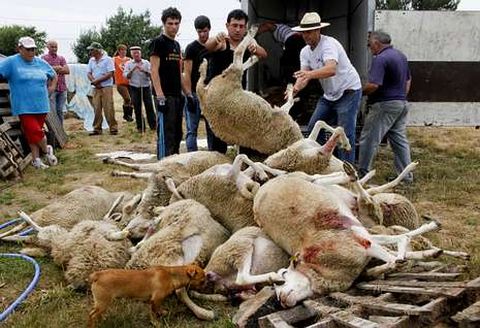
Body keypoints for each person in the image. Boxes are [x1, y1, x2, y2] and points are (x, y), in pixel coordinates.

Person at [291, 12, 362, 163]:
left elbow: (331, 69)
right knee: (313, 128)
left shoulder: (329, 44)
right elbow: (303, 76)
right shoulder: (304, 52)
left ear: (318, 31)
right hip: (330, 95)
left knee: (345, 133)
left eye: (309, 32)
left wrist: (309, 75)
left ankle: (347, 171)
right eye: (303, 33)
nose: (306, 36)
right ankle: (326, 161)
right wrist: (295, 89)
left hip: (348, 91)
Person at [204, 9, 267, 153]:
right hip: (217, 98)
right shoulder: (222, 42)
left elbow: (264, 53)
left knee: (241, 129)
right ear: (227, 25)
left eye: (241, 26)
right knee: (218, 138)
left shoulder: (247, 41)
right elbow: (208, 46)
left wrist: (255, 48)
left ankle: (243, 163)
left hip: (236, 97)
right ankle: (217, 167)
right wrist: (215, 39)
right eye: (234, 25)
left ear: (245, 28)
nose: (238, 29)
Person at [358, 30, 413, 183]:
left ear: (377, 43)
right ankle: (406, 177)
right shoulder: (400, 56)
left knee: (369, 138)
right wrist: (401, 95)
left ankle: (362, 175)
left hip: (384, 104)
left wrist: (358, 92)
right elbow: (408, 79)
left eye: (370, 45)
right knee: (399, 140)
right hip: (401, 103)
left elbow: (374, 85)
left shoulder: (380, 59)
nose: (370, 49)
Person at [0, 37, 58, 169]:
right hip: (23, 105)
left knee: (32, 134)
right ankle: (47, 149)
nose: (31, 52)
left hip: (41, 104)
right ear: (19, 49)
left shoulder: (40, 62)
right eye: (28, 49)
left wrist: (52, 87)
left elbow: (53, 74)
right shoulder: (11, 62)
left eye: (33, 49)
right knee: (35, 131)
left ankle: (36, 160)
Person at [150, 7, 184, 159]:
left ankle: (174, 162)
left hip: (177, 95)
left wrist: (186, 93)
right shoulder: (158, 43)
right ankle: (163, 165)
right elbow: (154, 70)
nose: (174, 27)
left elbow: (179, 71)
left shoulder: (176, 45)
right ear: (164, 24)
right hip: (164, 96)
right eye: (170, 23)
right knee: (166, 133)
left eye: (176, 23)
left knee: (177, 133)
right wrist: (160, 95)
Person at [183, 15, 211, 152]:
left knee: (212, 128)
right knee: (191, 130)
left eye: (205, 31)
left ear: (209, 29)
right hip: (194, 92)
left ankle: (213, 156)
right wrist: (188, 94)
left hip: (209, 93)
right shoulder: (191, 48)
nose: (202, 34)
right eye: (199, 31)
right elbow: (186, 73)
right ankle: (192, 157)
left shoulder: (214, 46)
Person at [86, 42, 118, 136]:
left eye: (92, 50)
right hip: (96, 87)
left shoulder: (107, 59)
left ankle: (113, 128)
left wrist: (97, 81)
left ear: (98, 50)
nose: (90, 51)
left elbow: (110, 73)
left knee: (108, 107)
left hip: (106, 87)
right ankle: (97, 128)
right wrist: (94, 82)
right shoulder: (91, 60)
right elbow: (88, 73)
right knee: (96, 108)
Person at [123, 46, 156, 133]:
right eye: (134, 53)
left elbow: (152, 74)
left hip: (145, 87)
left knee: (149, 106)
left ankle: (153, 125)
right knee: (137, 107)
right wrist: (132, 70)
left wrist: (144, 70)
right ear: (132, 55)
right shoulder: (128, 64)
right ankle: (140, 127)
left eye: (138, 53)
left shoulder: (146, 63)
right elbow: (126, 76)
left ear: (140, 54)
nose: (136, 55)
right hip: (134, 87)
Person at [41, 40, 69, 127]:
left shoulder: (61, 58)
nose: (54, 48)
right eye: (52, 47)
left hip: (62, 88)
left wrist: (51, 69)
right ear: (48, 47)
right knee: (52, 111)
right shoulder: (43, 58)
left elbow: (67, 71)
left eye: (55, 47)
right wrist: (57, 68)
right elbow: (42, 71)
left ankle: (60, 130)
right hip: (51, 88)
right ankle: (54, 130)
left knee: (60, 110)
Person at [113, 44, 133, 122]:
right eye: (122, 50)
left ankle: (129, 116)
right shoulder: (114, 59)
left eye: (125, 50)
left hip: (129, 82)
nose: (124, 52)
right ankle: (126, 115)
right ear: (119, 51)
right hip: (120, 82)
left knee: (131, 100)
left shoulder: (129, 59)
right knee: (127, 98)